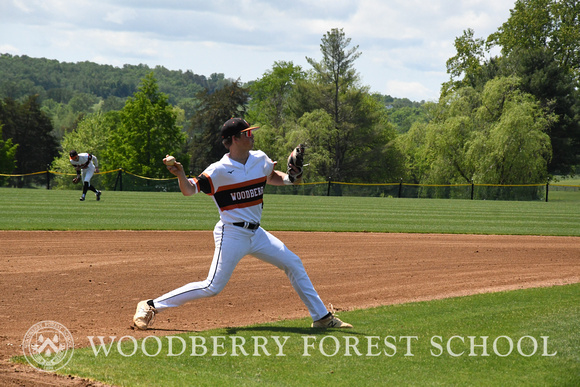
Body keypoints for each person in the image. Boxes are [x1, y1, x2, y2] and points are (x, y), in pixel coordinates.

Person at [133, 118, 352, 330]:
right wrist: (180, 174)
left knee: (293, 263)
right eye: (248, 133)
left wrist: (290, 179)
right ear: (235, 139)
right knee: (212, 286)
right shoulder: (218, 170)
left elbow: (271, 176)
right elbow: (189, 190)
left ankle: (322, 318)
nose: (252, 136)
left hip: (257, 234)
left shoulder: (260, 159)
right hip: (232, 234)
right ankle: (150, 306)